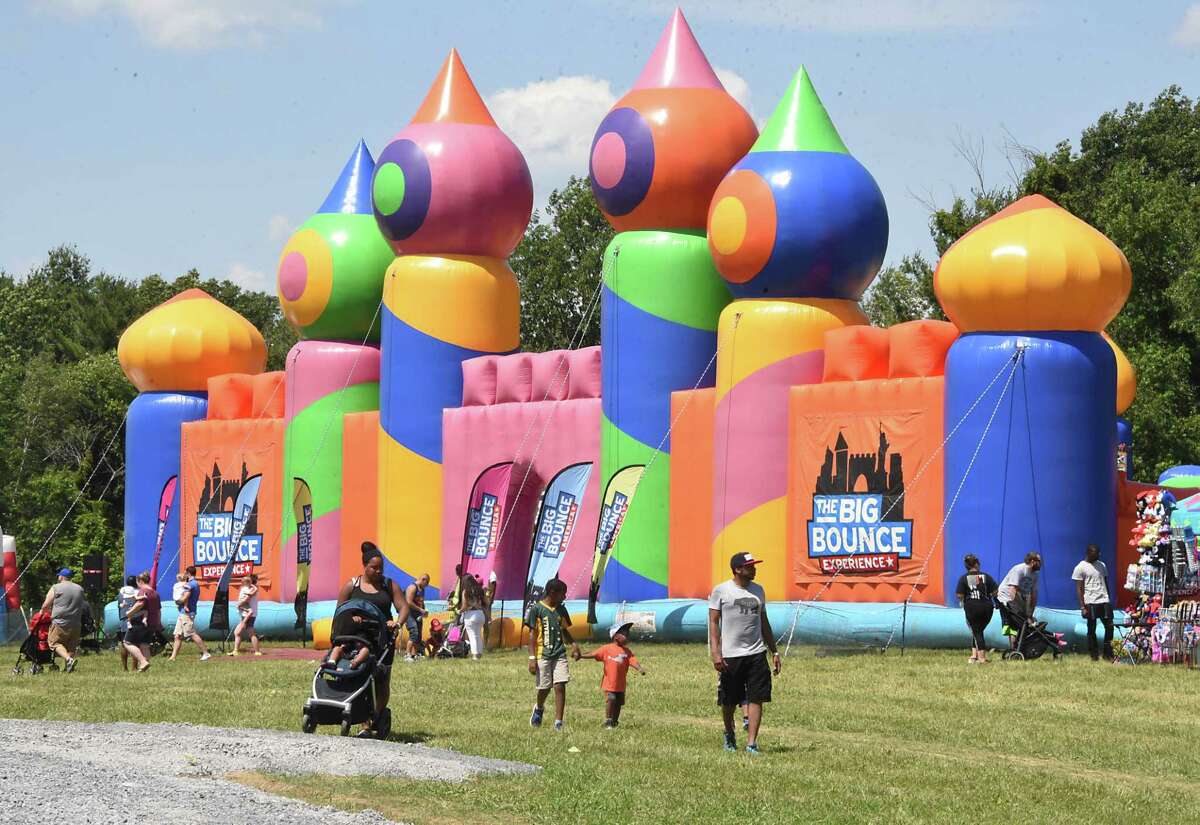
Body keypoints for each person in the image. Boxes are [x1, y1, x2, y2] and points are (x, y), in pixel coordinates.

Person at [708, 552, 781, 755]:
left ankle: (751, 743)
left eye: (754, 565)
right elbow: (713, 623)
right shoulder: (721, 591)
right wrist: (716, 653)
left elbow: (764, 622)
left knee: (757, 697)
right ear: (738, 569)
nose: (754, 569)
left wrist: (774, 651)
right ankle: (729, 733)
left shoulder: (758, 591)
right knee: (729, 700)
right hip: (731, 654)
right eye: (750, 566)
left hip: (757, 652)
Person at [336, 542, 409, 737]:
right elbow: (340, 612)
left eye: (380, 568)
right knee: (359, 676)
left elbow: (403, 607)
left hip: (382, 638)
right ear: (365, 566)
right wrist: (351, 618)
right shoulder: (352, 586)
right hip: (356, 638)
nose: (378, 571)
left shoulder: (389, 585)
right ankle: (363, 722)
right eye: (373, 567)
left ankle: (375, 714)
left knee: (381, 681)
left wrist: (398, 623)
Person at [524, 577, 580, 731]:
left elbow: (564, 630)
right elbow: (532, 635)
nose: (564, 597)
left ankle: (558, 722)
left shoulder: (561, 609)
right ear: (553, 592)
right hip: (543, 654)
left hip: (559, 653)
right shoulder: (537, 609)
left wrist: (574, 645)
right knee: (544, 687)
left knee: (560, 685)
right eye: (563, 594)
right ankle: (539, 708)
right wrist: (532, 658)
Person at [575, 621, 646, 729]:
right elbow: (594, 654)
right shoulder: (606, 649)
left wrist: (639, 668)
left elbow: (633, 661)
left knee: (618, 703)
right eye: (624, 633)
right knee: (611, 698)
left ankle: (615, 721)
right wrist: (581, 656)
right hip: (609, 683)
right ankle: (608, 720)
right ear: (615, 636)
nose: (627, 635)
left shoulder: (627, 651)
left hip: (621, 684)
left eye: (628, 633)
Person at [1073, 543, 1114, 661]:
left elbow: (1105, 582)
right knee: (1092, 628)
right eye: (1096, 553)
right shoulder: (1080, 567)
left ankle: (1108, 653)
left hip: (1104, 599)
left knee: (1109, 626)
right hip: (1090, 601)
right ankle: (1094, 654)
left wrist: (1108, 598)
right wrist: (1082, 606)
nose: (1098, 555)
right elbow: (1079, 588)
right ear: (1089, 553)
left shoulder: (1102, 565)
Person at [955, 554, 998, 664]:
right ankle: (974, 655)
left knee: (977, 631)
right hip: (987, 608)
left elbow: (959, 595)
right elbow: (995, 592)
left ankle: (982, 658)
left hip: (972, 607)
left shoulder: (964, 578)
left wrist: (964, 599)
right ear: (976, 564)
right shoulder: (985, 577)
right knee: (978, 630)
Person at [41, 568, 86, 673]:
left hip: (60, 623)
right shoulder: (80, 588)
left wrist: (42, 613)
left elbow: (46, 605)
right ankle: (69, 667)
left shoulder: (56, 587)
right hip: (76, 623)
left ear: (61, 576)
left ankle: (68, 659)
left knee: (54, 643)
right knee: (71, 646)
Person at [997, 552, 1042, 647]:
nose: (1041, 564)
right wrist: (1017, 610)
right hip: (1006, 597)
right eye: (1039, 561)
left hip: (1020, 598)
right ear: (1033, 561)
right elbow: (1013, 590)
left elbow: (1034, 594)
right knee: (1013, 622)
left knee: (1025, 621)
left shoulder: (1035, 575)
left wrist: (1030, 613)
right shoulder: (1019, 569)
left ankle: (1020, 646)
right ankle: (1014, 647)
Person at [169, 565, 211, 662]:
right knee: (177, 635)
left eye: (185, 573)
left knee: (191, 633)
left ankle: (206, 653)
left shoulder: (191, 584)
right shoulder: (194, 583)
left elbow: (185, 597)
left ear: (188, 573)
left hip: (187, 613)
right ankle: (173, 657)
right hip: (183, 612)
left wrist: (178, 601)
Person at [459, 572, 496, 660]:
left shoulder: (465, 592)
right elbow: (487, 603)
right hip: (480, 614)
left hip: (471, 615)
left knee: (472, 635)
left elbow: (464, 606)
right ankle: (479, 654)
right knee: (478, 635)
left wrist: (459, 611)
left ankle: (475, 655)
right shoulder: (480, 590)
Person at [122, 580, 153, 673]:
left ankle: (143, 662)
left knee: (127, 642)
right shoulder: (131, 597)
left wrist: (128, 612)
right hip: (138, 617)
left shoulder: (130, 597)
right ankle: (145, 664)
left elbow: (138, 599)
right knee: (144, 645)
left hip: (135, 617)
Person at [230, 573, 261, 656]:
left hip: (248, 614)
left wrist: (239, 604)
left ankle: (256, 651)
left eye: (246, 579)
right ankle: (237, 650)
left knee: (239, 632)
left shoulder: (250, 589)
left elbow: (247, 599)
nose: (243, 581)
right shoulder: (252, 588)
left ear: (249, 581)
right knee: (242, 633)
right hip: (248, 613)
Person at [135, 572, 166, 653]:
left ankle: (142, 662)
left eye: (137, 582)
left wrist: (130, 612)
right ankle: (145, 660)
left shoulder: (142, 592)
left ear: (140, 581)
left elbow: (139, 605)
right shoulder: (155, 593)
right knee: (145, 645)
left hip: (142, 622)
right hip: (153, 622)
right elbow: (158, 610)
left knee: (137, 645)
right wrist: (158, 623)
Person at [404, 574, 429, 661]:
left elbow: (421, 601)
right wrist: (420, 610)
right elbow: (408, 602)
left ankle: (414, 655)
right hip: (409, 613)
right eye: (427, 583)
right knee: (414, 632)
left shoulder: (422, 589)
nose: (427, 585)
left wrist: (424, 611)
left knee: (418, 635)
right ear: (423, 579)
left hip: (418, 614)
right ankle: (407, 654)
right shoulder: (412, 587)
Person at [116, 575, 139, 672]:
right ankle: (134, 667)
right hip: (135, 620)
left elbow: (119, 605)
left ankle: (125, 668)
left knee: (124, 644)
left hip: (124, 620)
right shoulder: (137, 592)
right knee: (135, 644)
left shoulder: (121, 593)